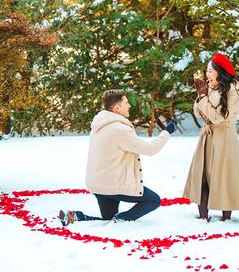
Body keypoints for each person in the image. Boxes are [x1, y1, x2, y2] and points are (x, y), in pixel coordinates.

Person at [59, 89, 177, 226]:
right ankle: (120, 220)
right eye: (126, 103)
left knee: (107, 220)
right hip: (113, 185)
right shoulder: (119, 130)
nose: (129, 106)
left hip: (98, 185)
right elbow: (150, 149)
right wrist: (167, 131)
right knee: (153, 200)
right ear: (116, 108)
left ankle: (76, 216)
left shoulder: (99, 125)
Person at [183, 52, 239, 221]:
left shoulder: (232, 91)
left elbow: (219, 118)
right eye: (207, 70)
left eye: (210, 71)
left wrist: (203, 98)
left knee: (223, 175)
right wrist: (201, 96)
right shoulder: (209, 88)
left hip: (224, 138)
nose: (207, 74)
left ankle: (226, 218)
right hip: (207, 136)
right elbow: (198, 112)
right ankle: (203, 217)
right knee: (202, 174)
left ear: (220, 72)